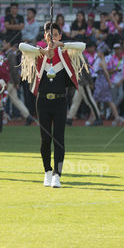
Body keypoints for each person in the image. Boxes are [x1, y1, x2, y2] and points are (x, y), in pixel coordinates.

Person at [19, 22, 88, 187]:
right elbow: (22, 46)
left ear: (59, 36)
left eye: (55, 35)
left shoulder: (64, 52)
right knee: (45, 139)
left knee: (59, 139)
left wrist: (61, 44)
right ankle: (47, 171)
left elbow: (82, 46)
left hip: (60, 101)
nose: (52, 38)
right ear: (45, 36)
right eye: (49, 35)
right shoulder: (39, 53)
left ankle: (57, 174)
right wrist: (41, 50)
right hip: (42, 101)